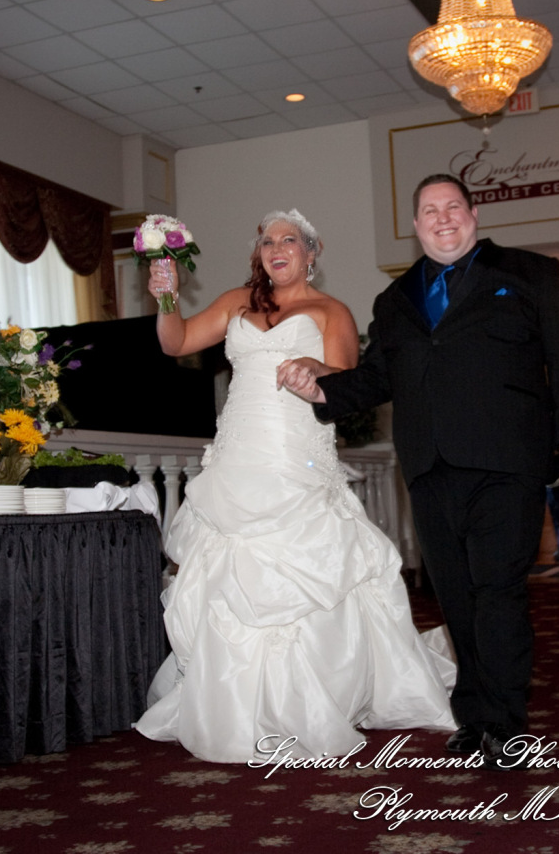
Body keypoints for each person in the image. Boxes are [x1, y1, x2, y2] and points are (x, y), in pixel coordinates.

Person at [278, 175, 559, 770]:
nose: (443, 218)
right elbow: (378, 377)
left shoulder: (530, 273)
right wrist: (318, 388)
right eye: (430, 210)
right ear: (416, 225)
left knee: (497, 589)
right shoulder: (394, 299)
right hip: (429, 466)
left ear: (473, 215)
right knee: (455, 594)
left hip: (507, 460)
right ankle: (473, 714)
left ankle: (504, 722)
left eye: (453, 207)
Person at [134, 208, 456, 764]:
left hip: (295, 454)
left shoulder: (331, 311)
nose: (276, 248)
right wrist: (166, 299)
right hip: (237, 456)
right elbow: (176, 342)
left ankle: (316, 698)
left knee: (305, 570)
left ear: (311, 252)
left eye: (289, 240)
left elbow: (350, 385)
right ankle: (234, 703)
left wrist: (315, 367)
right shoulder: (237, 301)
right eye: (267, 241)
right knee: (228, 572)